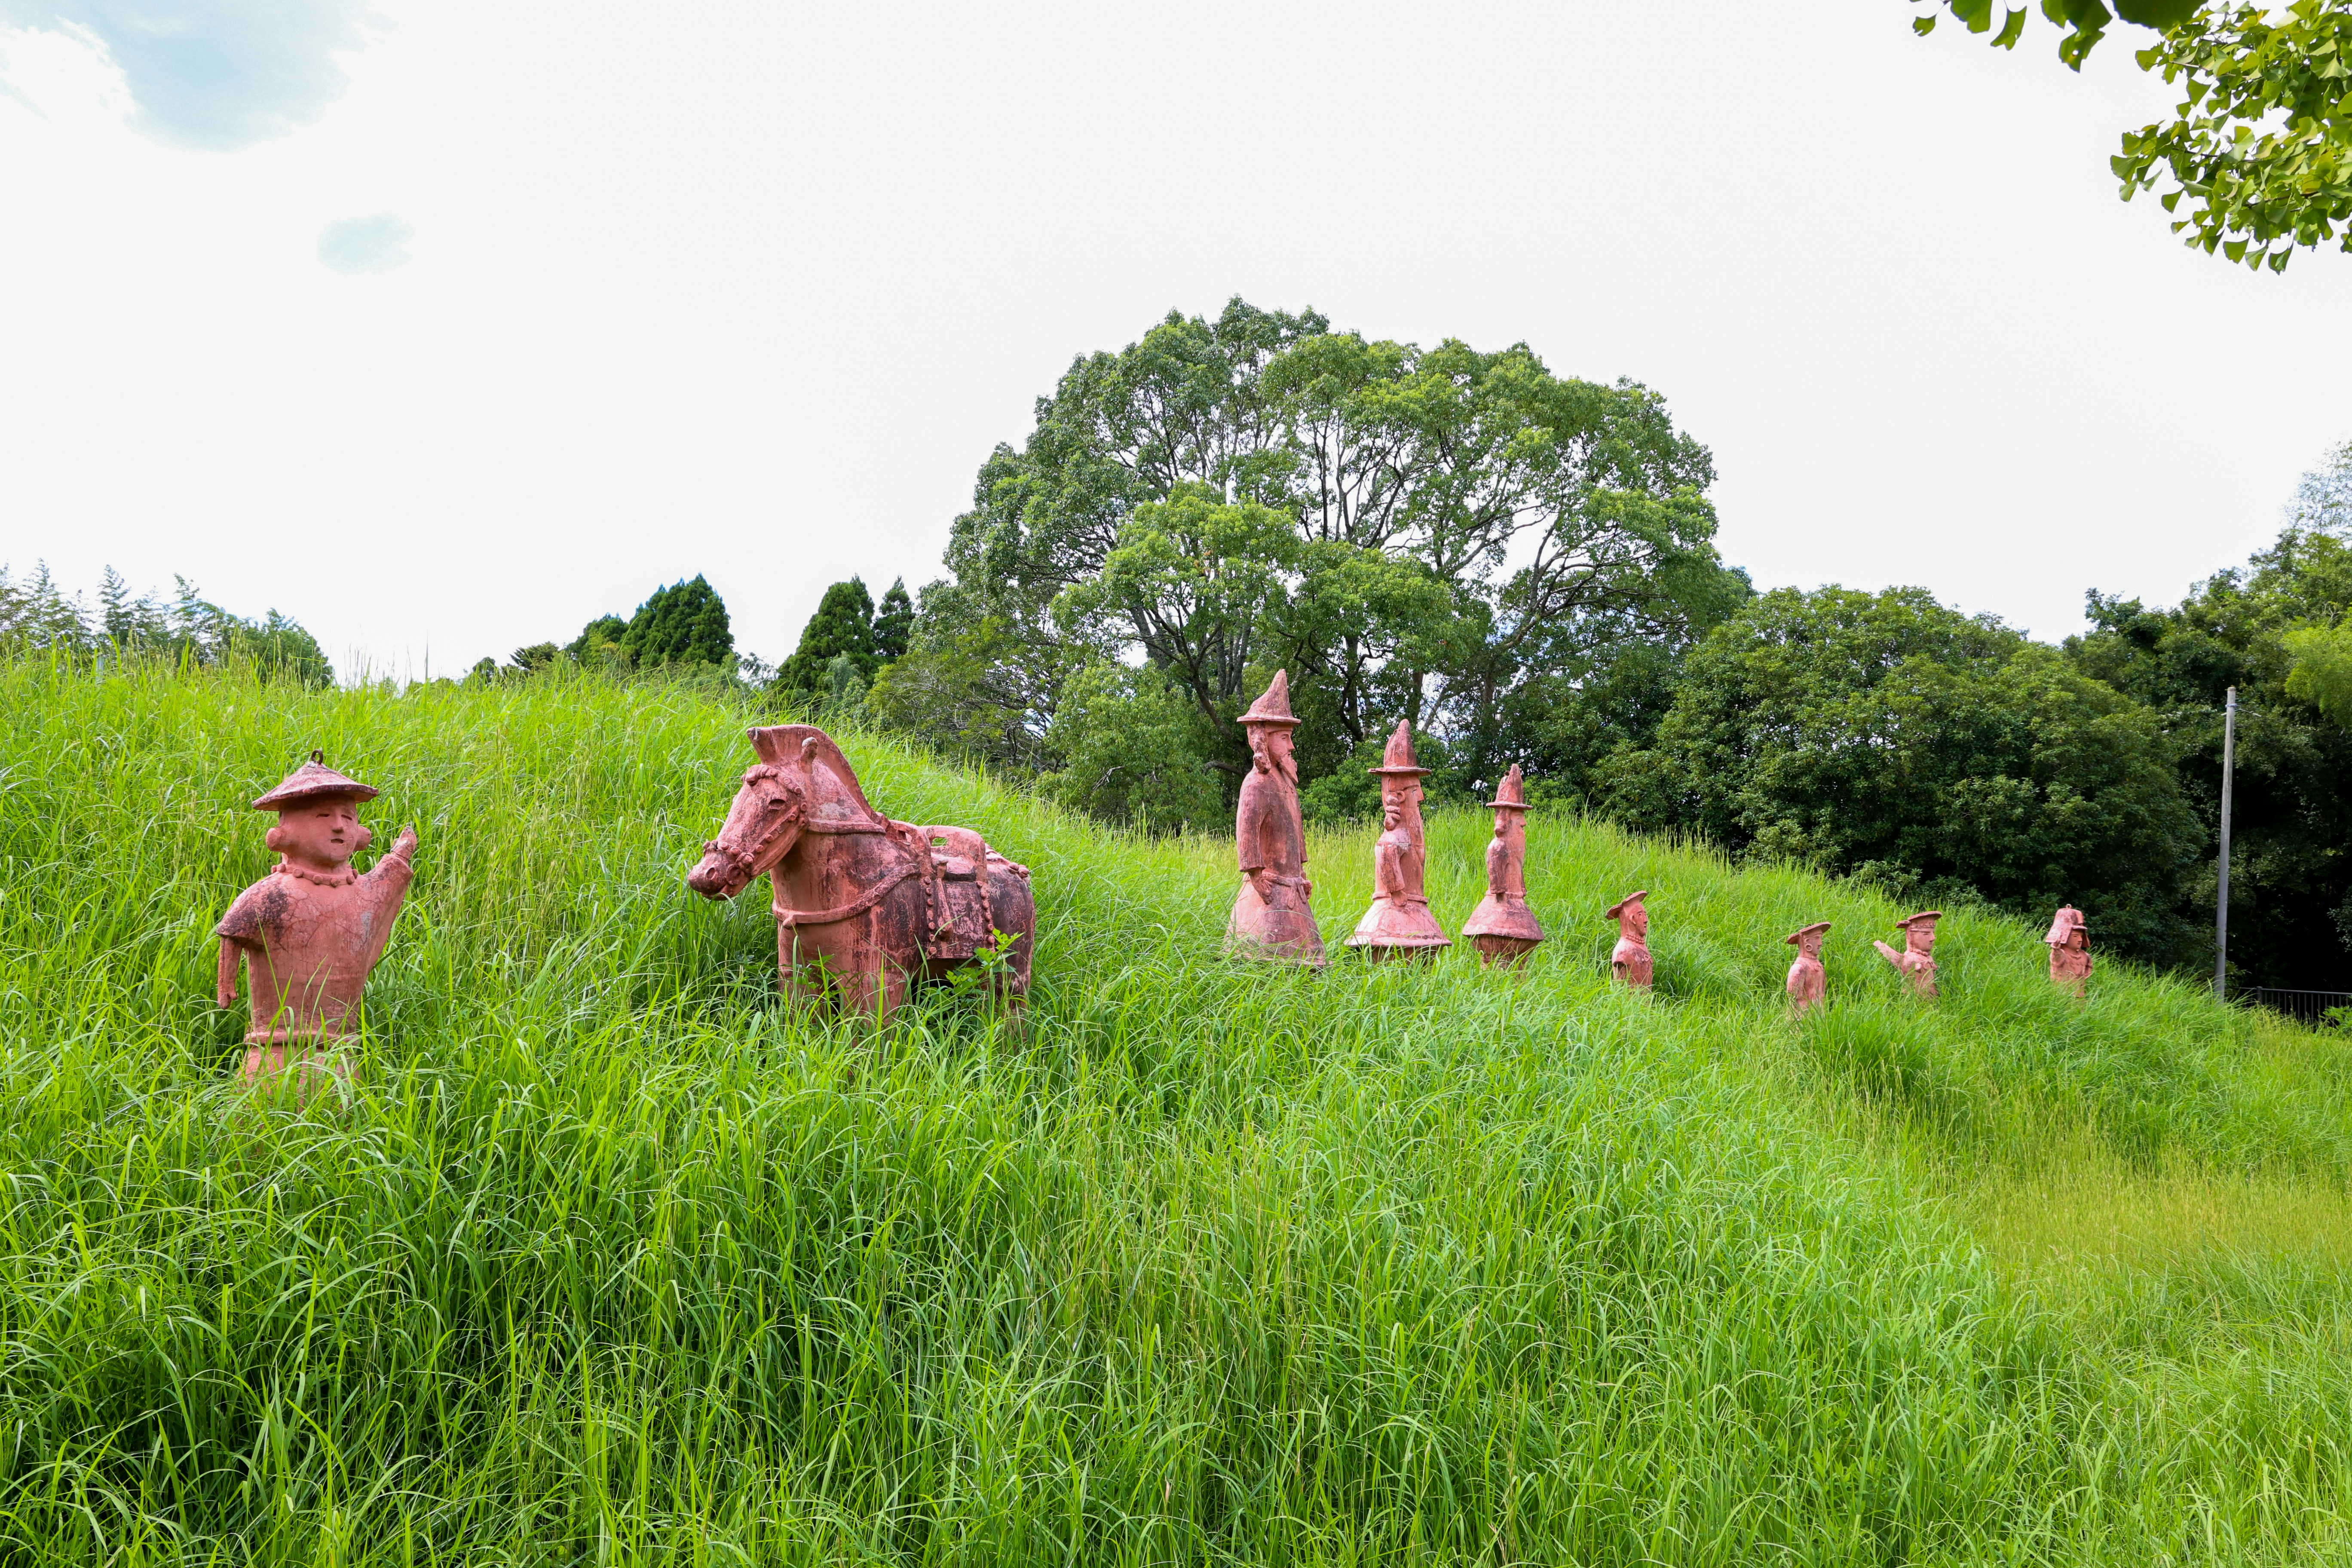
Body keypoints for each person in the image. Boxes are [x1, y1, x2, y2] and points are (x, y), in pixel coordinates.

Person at [215, 754, 417, 1086]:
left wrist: (401, 854)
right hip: (275, 1059)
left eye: (348, 817)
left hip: (341, 1062)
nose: (339, 825)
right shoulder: (271, 894)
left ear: (360, 832)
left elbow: (387, 885)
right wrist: (227, 981)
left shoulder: (361, 892)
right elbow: (232, 930)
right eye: (323, 816)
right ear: (284, 832)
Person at [1228, 672, 1324, 964]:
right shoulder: (1257, 784)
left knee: (1307, 965)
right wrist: (1255, 874)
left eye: (1290, 737)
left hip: (1292, 890)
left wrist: (1301, 871)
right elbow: (1247, 830)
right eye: (1284, 738)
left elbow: (1295, 830)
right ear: (1262, 740)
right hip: (1269, 892)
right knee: (1264, 964)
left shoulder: (1286, 783)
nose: (1291, 745)